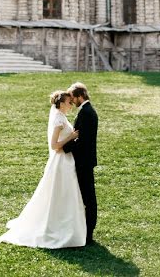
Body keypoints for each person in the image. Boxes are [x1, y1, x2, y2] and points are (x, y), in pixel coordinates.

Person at [0, 91, 87, 248]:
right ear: (61, 104)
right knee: (59, 193)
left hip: (67, 161)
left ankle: (67, 224)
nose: (71, 105)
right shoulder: (59, 119)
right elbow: (55, 146)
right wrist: (70, 138)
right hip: (61, 162)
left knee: (66, 193)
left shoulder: (62, 116)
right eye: (68, 103)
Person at [61, 82, 99, 246]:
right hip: (84, 160)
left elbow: (83, 141)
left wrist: (64, 146)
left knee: (88, 199)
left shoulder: (87, 113)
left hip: (84, 161)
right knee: (86, 198)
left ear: (80, 96)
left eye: (73, 98)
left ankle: (88, 234)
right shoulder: (86, 111)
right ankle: (85, 231)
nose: (72, 101)